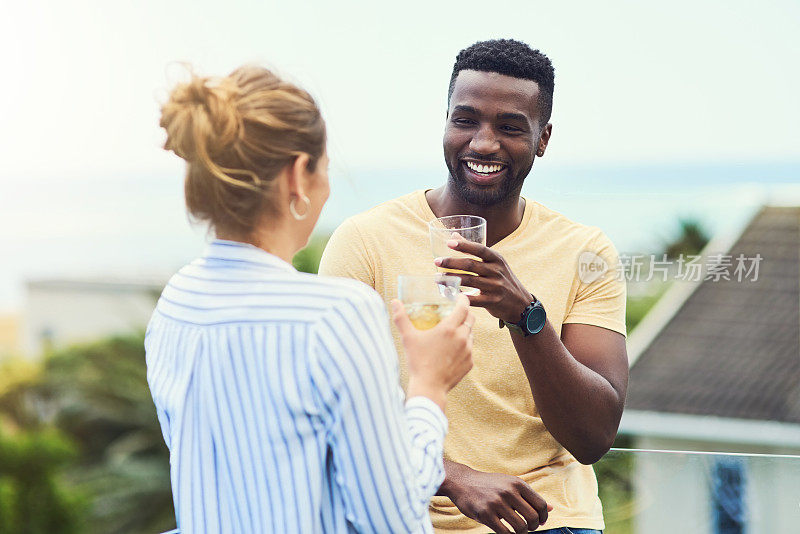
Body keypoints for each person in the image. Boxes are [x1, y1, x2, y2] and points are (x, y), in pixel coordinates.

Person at [146, 65, 476, 533]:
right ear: (298, 176)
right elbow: (393, 516)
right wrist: (430, 384)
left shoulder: (175, 304)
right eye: (324, 168)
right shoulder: (335, 315)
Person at [319, 39, 628, 534]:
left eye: (509, 127)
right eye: (465, 120)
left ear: (543, 139)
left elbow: (594, 437)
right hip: (400, 514)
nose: (483, 143)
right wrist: (453, 477)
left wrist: (527, 315)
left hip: (546, 521)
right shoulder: (365, 241)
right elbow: (328, 405)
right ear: (445, 123)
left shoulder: (586, 251)